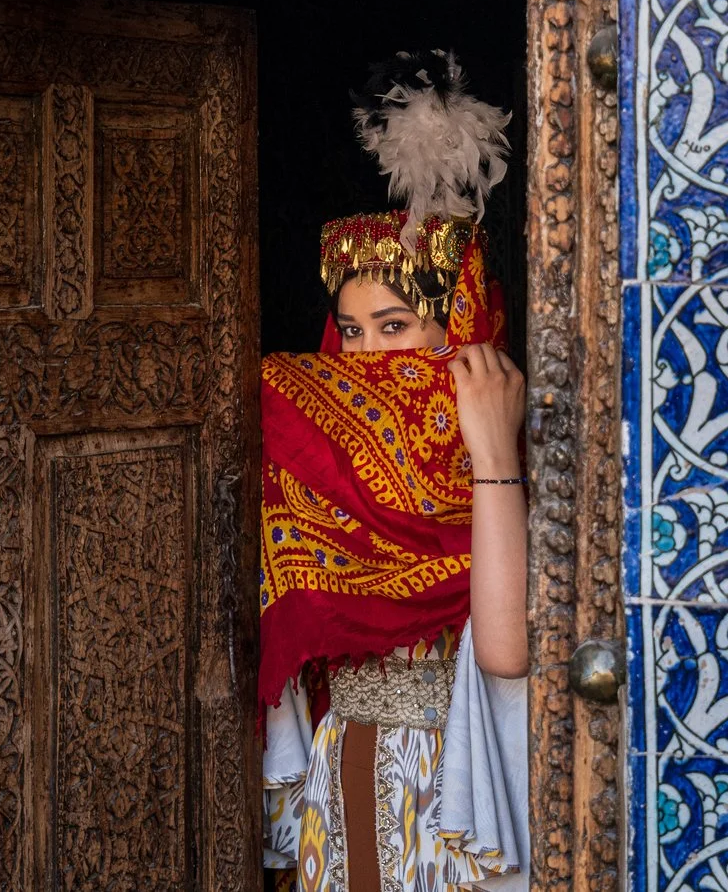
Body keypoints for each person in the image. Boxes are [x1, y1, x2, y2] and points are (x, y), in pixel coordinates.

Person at [260, 50, 532, 892]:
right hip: (342, 789)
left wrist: (491, 455)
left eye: (397, 325)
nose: (369, 354)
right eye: (353, 329)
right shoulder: (309, 456)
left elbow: (506, 651)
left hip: (452, 795)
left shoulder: (517, 456)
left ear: (463, 324)